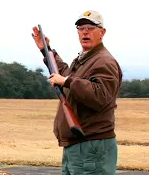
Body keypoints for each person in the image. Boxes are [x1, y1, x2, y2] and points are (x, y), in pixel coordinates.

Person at [31, 10, 123, 175]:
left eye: (90, 27)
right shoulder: (87, 58)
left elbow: (100, 95)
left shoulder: (103, 61)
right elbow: (66, 74)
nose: (85, 32)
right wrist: (47, 50)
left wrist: (66, 82)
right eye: (80, 28)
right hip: (78, 144)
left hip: (91, 146)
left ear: (102, 32)